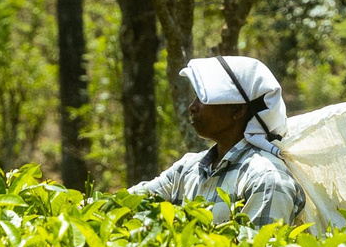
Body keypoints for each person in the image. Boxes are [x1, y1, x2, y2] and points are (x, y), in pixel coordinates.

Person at [131, 55, 307, 228]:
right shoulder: (187, 169)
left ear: (237, 109)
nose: (192, 107)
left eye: (202, 99)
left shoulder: (266, 180)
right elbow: (128, 204)